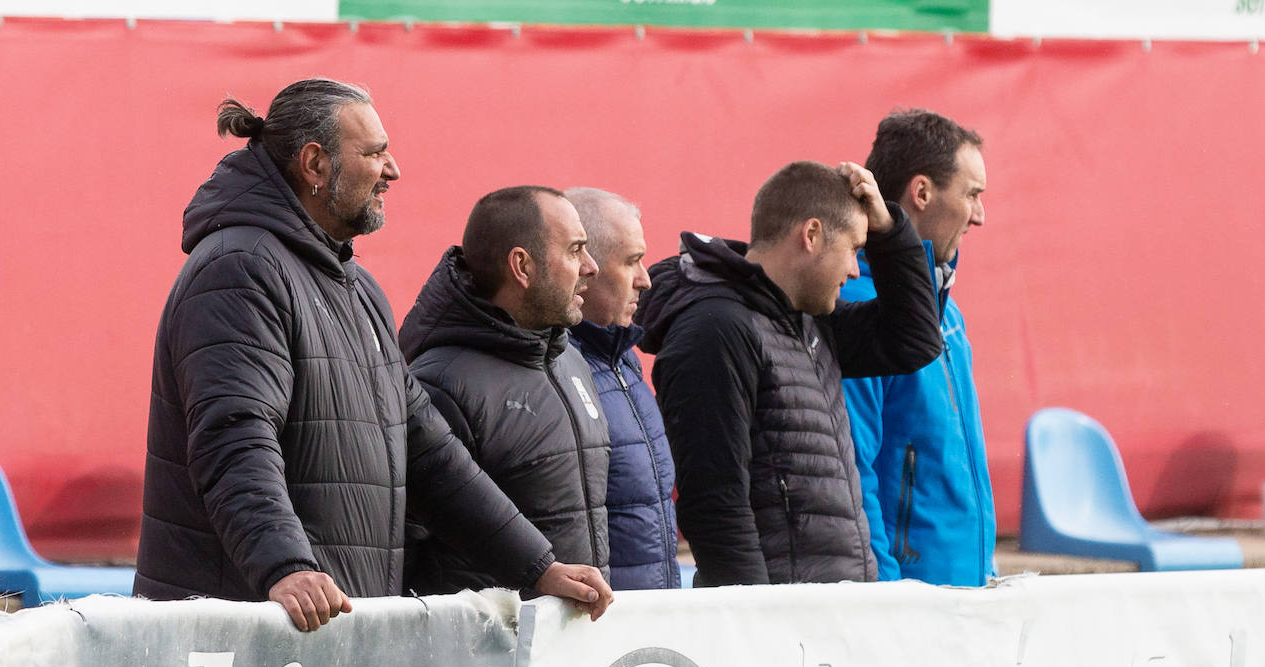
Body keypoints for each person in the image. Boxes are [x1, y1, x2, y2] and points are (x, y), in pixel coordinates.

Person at [135, 80, 611, 630]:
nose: (393, 170)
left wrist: (538, 567)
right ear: (315, 164)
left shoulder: (358, 290)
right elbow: (235, 436)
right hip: (245, 636)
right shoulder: (239, 269)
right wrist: (284, 566)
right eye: (375, 153)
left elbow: (431, 454)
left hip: (327, 633)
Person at [635, 161, 942, 586]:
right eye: (854, 249)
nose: (856, 270)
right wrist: (762, 622)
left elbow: (914, 341)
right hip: (781, 625)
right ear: (811, 235)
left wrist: (889, 231)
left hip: (823, 613)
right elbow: (715, 504)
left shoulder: (808, 321)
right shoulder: (716, 328)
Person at [399, 186, 612, 595]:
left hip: (578, 646)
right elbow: (408, 551)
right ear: (522, 266)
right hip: (489, 652)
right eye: (574, 250)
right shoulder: (439, 383)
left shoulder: (570, 360)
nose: (591, 266)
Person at [840, 109, 993, 586]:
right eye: (972, 195)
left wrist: (985, 566)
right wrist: (887, 595)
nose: (980, 216)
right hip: (909, 600)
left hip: (965, 588)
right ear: (922, 192)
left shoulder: (948, 312)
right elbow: (854, 474)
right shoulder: (858, 309)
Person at [564, 188, 680, 590]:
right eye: (632, 261)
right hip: (601, 628)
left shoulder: (623, 358)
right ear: (585, 265)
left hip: (648, 623)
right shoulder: (553, 368)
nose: (645, 280)